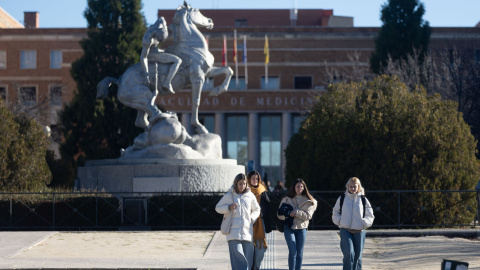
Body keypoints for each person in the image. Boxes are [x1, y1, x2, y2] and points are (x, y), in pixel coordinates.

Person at [216, 173, 261, 270]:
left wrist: (252, 218)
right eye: (240, 183)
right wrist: (229, 207)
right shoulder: (230, 194)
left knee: (246, 262)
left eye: (244, 184)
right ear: (236, 183)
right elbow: (218, 208)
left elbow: (257, 209)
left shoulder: (250, 195)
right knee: (239, 258)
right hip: (233, 233)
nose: (242, 186)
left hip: (247, 233)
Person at [332, 177, 375, 270]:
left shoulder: (363, 199)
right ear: (348, 186)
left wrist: (364, 223)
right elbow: (335, 211)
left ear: (358, 186)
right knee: (349, 252)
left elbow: (370, 214)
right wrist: (339, 221)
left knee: (357, 257)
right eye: (351, 186)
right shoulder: (342, 198)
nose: (352, 188)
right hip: (345, 230)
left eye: (355, 186)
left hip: (359, 231)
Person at [277, 178, 317, 270]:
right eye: (298, 186)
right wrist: (287, 213)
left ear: (304, 187)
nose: (300, 188)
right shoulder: (286, 198)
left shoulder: (309, 200)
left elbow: (308, 216)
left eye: (301, 186)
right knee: (292, 251)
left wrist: (296, 212)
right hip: (289, 227)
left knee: (299, 253)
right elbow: (279, 213)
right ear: (294, 187)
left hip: (301, 228)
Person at [140, 17, 182, 95]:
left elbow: (162, 18)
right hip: (151, 55)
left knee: (173, 52)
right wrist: (146, 73)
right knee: (178, 60)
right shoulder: (148, 40)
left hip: (156, 51)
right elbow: (143, 57)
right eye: (159, 40)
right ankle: (167, 82)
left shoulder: (162, 23)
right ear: (156, 34)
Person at [247, 171, 272, 270]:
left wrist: (263, 215)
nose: (255, 180)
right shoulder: (245, 191)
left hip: (260, 223)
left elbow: (268, 206)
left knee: (260, 250)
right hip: (248, 223)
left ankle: (257, 266)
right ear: (249, 179)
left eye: (257, 178)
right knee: (249, 249)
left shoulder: (262, 190)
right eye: (253, 178)